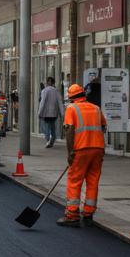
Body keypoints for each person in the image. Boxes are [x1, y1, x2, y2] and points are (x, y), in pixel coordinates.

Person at [59, 83, 105, 227]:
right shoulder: (96, 108)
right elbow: (103, 126)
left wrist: (70, 152)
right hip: (98, 149)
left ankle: (72, 214)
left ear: (71, 98)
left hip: (81, 149)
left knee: (75, 180)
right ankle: (88, 213)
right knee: (93, 181)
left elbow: (69, 130)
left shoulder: (71, 108)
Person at [38, 77, 63, 148]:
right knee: (52, 126)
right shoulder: (56, 91)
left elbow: (42, 103)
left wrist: (39, 112)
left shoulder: (44, 91)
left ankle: (48, 140)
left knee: (47, 127)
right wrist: (62, 113)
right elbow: (60, 102)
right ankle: (52, 139)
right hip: (54, 113)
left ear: (48, 82)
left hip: (46, 112)